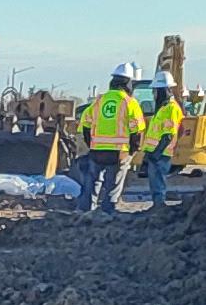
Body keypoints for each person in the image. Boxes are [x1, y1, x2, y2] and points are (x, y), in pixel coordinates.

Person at [76, 66, 146, 213]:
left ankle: (86, 209)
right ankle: (108, 211)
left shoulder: (99, 101)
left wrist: (92, 144)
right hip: (119, 152)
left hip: (97, 151)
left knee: (92, 181)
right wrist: (133, 150)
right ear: (128, 84)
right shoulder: (130, 102)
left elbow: (86, 124)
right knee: (113, 184)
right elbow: (137, 129)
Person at [138, 69, 185, 206]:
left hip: (161, 153)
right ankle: (157, 206)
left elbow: (168, 135)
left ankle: (159, 208)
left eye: (155, 91)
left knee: (158, 184)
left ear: (163, 90)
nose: (154, 94)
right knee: (155, 183)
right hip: (156, 153)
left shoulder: (171, 108)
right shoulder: (163, 109)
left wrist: (156, 153)